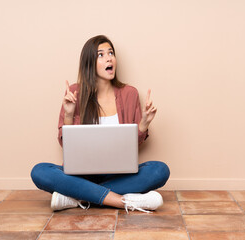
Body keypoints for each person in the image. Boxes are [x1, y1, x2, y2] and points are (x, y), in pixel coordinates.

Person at [31, 35, 170, 213]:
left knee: (159, 170)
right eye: (101, 55)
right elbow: (65, 144)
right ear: (89, 62)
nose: (109, 58)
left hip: (118, 174)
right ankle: (121, 201)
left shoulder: (129, 93)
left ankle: (76, 197)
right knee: (39, 171)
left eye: (111, 53)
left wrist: (143, 124)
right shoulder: (74, 92)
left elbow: (131, 145)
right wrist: (69, 114)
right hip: (81, 174)